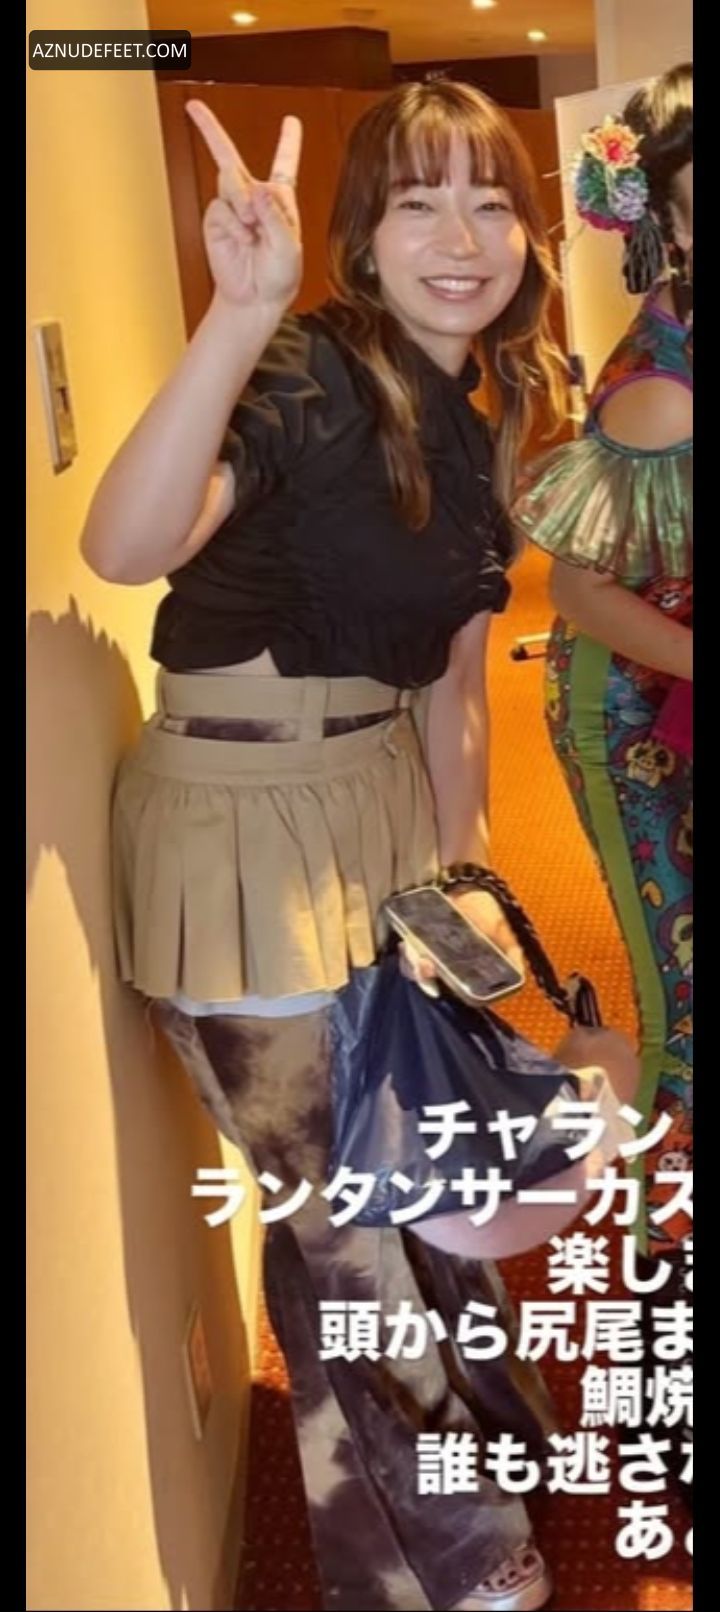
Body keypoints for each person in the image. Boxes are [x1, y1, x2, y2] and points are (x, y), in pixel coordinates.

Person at [83, 80, 581, 1612]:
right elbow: (125, 545)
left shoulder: (493, 403)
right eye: (418, 202)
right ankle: (441, 1556)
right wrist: (236, 318)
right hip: (240, 837)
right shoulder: (304, 367)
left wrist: (462, 880)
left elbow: (456, 676)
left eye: (490, 201)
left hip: (378, 813)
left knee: (420, 1159)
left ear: (531, 231)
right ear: (360, 237)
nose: (460, 237)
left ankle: (482, 1434)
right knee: (345, 1229)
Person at [513, 64, 692, 1497]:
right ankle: (663, 1383)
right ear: (669, 215)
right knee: (680, 1015)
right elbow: (580, 589)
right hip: (629, 714)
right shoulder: (660, 382)